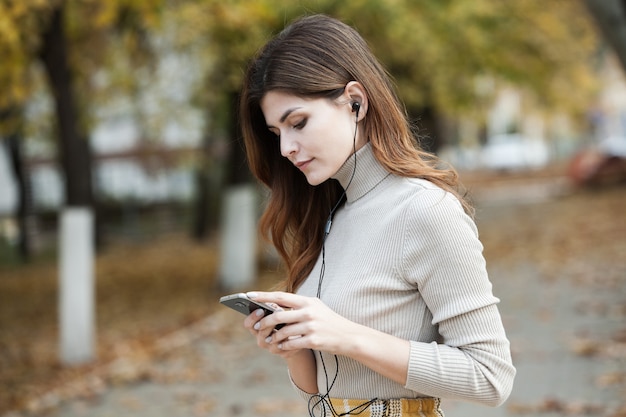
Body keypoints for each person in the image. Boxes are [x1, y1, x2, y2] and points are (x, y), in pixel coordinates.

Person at [238, 14, 515, 417]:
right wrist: (295, 347)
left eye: (297, 123)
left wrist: (346, 336)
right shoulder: (331, 215)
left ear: (356, 101)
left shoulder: (424, 210)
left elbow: (491, 377)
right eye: (277, 133)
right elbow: (326, 392)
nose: (286, 148)